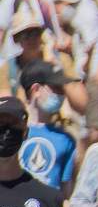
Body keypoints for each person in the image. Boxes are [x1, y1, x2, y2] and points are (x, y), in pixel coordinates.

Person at [17, 61, 76, 189]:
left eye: (62, 88)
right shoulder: (11, 130)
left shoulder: (66, 139)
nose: (62, 94)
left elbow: (66, 190)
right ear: (36, 89)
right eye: (56, 87)